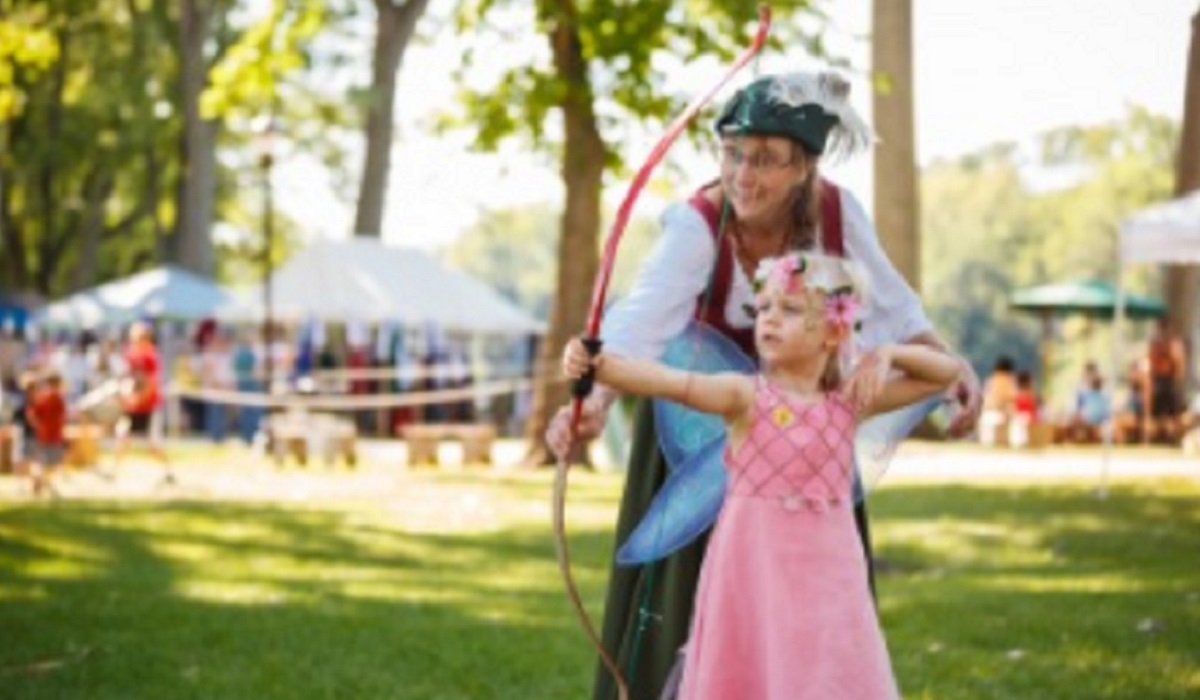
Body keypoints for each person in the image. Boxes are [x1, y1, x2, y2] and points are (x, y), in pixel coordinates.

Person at [544, 71, 982, 699]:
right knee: (696, 610)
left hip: (809, 444)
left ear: (805, 167)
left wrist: (952, 370)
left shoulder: (837, 213)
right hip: (698, 440)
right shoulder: (699, 222)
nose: (743, 174)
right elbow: (638, 325)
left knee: (811, 620)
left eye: (767, 160)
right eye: (732, 152)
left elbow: (897, 310)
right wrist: (594, 401)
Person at [563, 253, 959, 699]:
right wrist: (598, 363)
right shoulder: (745, 395)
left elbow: (944, 375)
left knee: (825, 669)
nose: (769, 319)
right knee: (753, 665)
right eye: (764, 307)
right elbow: (668, 381)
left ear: (834, 331)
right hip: (753, 572)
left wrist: (889, 352)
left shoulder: (849, 400)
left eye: (789, 309)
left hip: (830, 577)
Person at [114, 321, 173, 482]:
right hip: (133, 407)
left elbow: (151, 385)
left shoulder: (151, 357)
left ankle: (168, 472)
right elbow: (125, 378)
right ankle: (115, 472)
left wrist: (137, 399)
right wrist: (125, 396)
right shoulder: (130, 355)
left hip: (149, 407)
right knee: (122, 437)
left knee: (154, 444)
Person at [25, 370, 68, 497]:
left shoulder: (43, 396)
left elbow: (32, 413)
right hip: (53, 435)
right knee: (55, 463)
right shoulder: (56, 397)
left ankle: (40, 482)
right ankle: (42, 483)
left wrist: (38, 426)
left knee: (44, 462)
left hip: (44, 434)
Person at [1145, 318, 1186, 442]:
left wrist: (1178, 380)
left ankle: (1172, 437)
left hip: (1169, 381)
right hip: (1159, 380)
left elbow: (1179, 364)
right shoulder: (1156, 344)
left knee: (1172, 413)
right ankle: (1158, 437)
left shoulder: (1174, 344)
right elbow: (1151, 363)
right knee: (1159, 413)